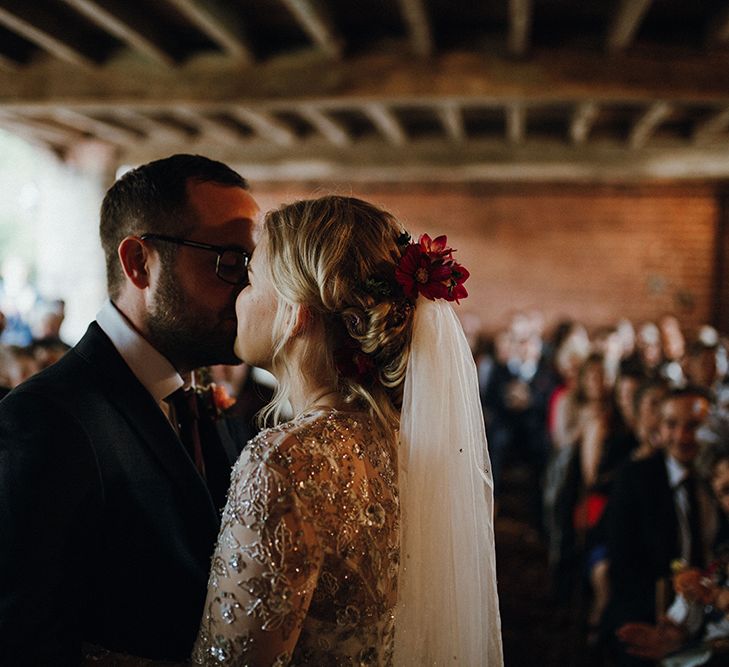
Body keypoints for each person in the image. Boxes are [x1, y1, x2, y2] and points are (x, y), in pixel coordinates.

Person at [191, 196, 502, 666]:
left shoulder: (284, 460)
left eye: (251, 280)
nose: (238, 295)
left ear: (294, 312)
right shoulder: (402, 440)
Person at [0, 154, 259, 664]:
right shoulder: (43, 420)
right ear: (140, 263)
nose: (249, 289)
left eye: (255, 265)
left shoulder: (207, 399)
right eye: (230, 261)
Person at [604, 387, 717, 665]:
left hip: (712, 613)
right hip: (650, 611)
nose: (681, 436)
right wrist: (664, 626)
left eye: (693, 426)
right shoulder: (635, 479)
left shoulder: (718, 481)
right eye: (671, 425)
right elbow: (623, 564)